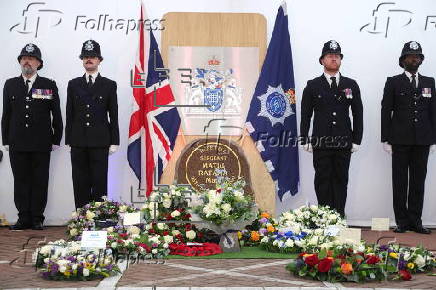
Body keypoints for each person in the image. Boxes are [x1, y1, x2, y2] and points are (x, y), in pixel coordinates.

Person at [1, 43, 63, 230]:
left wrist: (56, 139)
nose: (27, 61)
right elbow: (6, 115)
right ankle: (23, 218)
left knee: (40, 180)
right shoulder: (10, 84)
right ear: (20, 62)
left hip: (41, 143)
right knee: (20, 180)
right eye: (24, 58)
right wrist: (6, 140)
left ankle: (37, 218)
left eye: (32, 58)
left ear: (38, 63)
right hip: (17, 142)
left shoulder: (48, 85)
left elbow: (57, 115)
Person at [300, 40, 363, 217]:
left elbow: (358, 114)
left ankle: (339, 216)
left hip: (344, 141)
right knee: (322, 179)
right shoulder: (312, 85)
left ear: (341, 60)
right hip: (321, 141)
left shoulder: (351, 84)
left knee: (341, 179)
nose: (334, 59)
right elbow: (306, 114)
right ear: (322, 60)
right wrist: (304, 138)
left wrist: (356, 139)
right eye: (330, 56)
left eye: (337, 56)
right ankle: (324, 218)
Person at [381, 41, 435, 234]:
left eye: (417, 56)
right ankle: (402, 222)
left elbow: (433, 111)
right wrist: (385, 139)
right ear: (403, 60)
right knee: (400, 181)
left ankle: (416, 221)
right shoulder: (393, 82)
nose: (414, 58)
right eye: (410, 56)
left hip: (423, 139)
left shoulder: (429, 82)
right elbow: (386, 111)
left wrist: (433, 138)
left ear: (421, 60)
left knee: (418, 182)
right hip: (399, 140)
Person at [65, 39, 119, 209]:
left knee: (99, 181)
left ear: (99, 60)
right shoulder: (73, 84)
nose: (89, 59)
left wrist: (114, 141)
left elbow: (114, 114)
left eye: (93, 56)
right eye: (86, 56)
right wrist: (69, 139)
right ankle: (81, 219)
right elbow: (69, 113)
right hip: (78, 141)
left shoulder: (109, 85)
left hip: (100, 141)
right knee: (79, 182)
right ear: (82, 59)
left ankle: (98, 217)